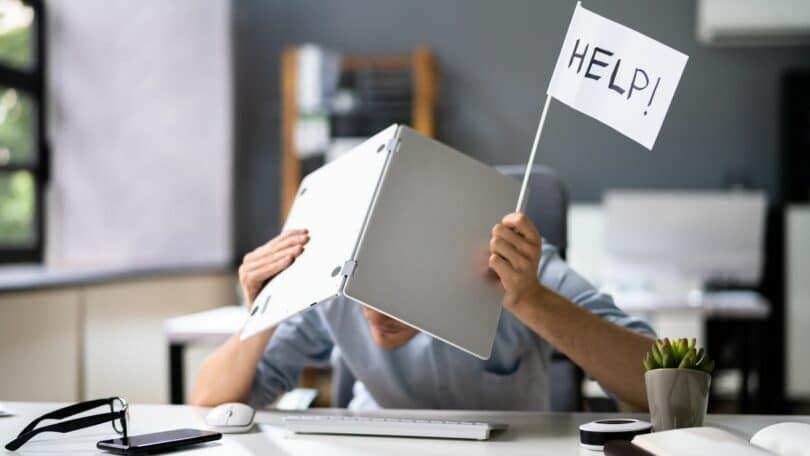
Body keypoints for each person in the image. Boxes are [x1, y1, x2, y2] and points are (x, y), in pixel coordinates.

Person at [191, 212, 655, 410]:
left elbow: (657, 380)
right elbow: (211, 403)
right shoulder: (329, 284)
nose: (375, 311)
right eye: (361, 286)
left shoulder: (517, 270)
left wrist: (532, 300)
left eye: (397, 284)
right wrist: (262, 313)